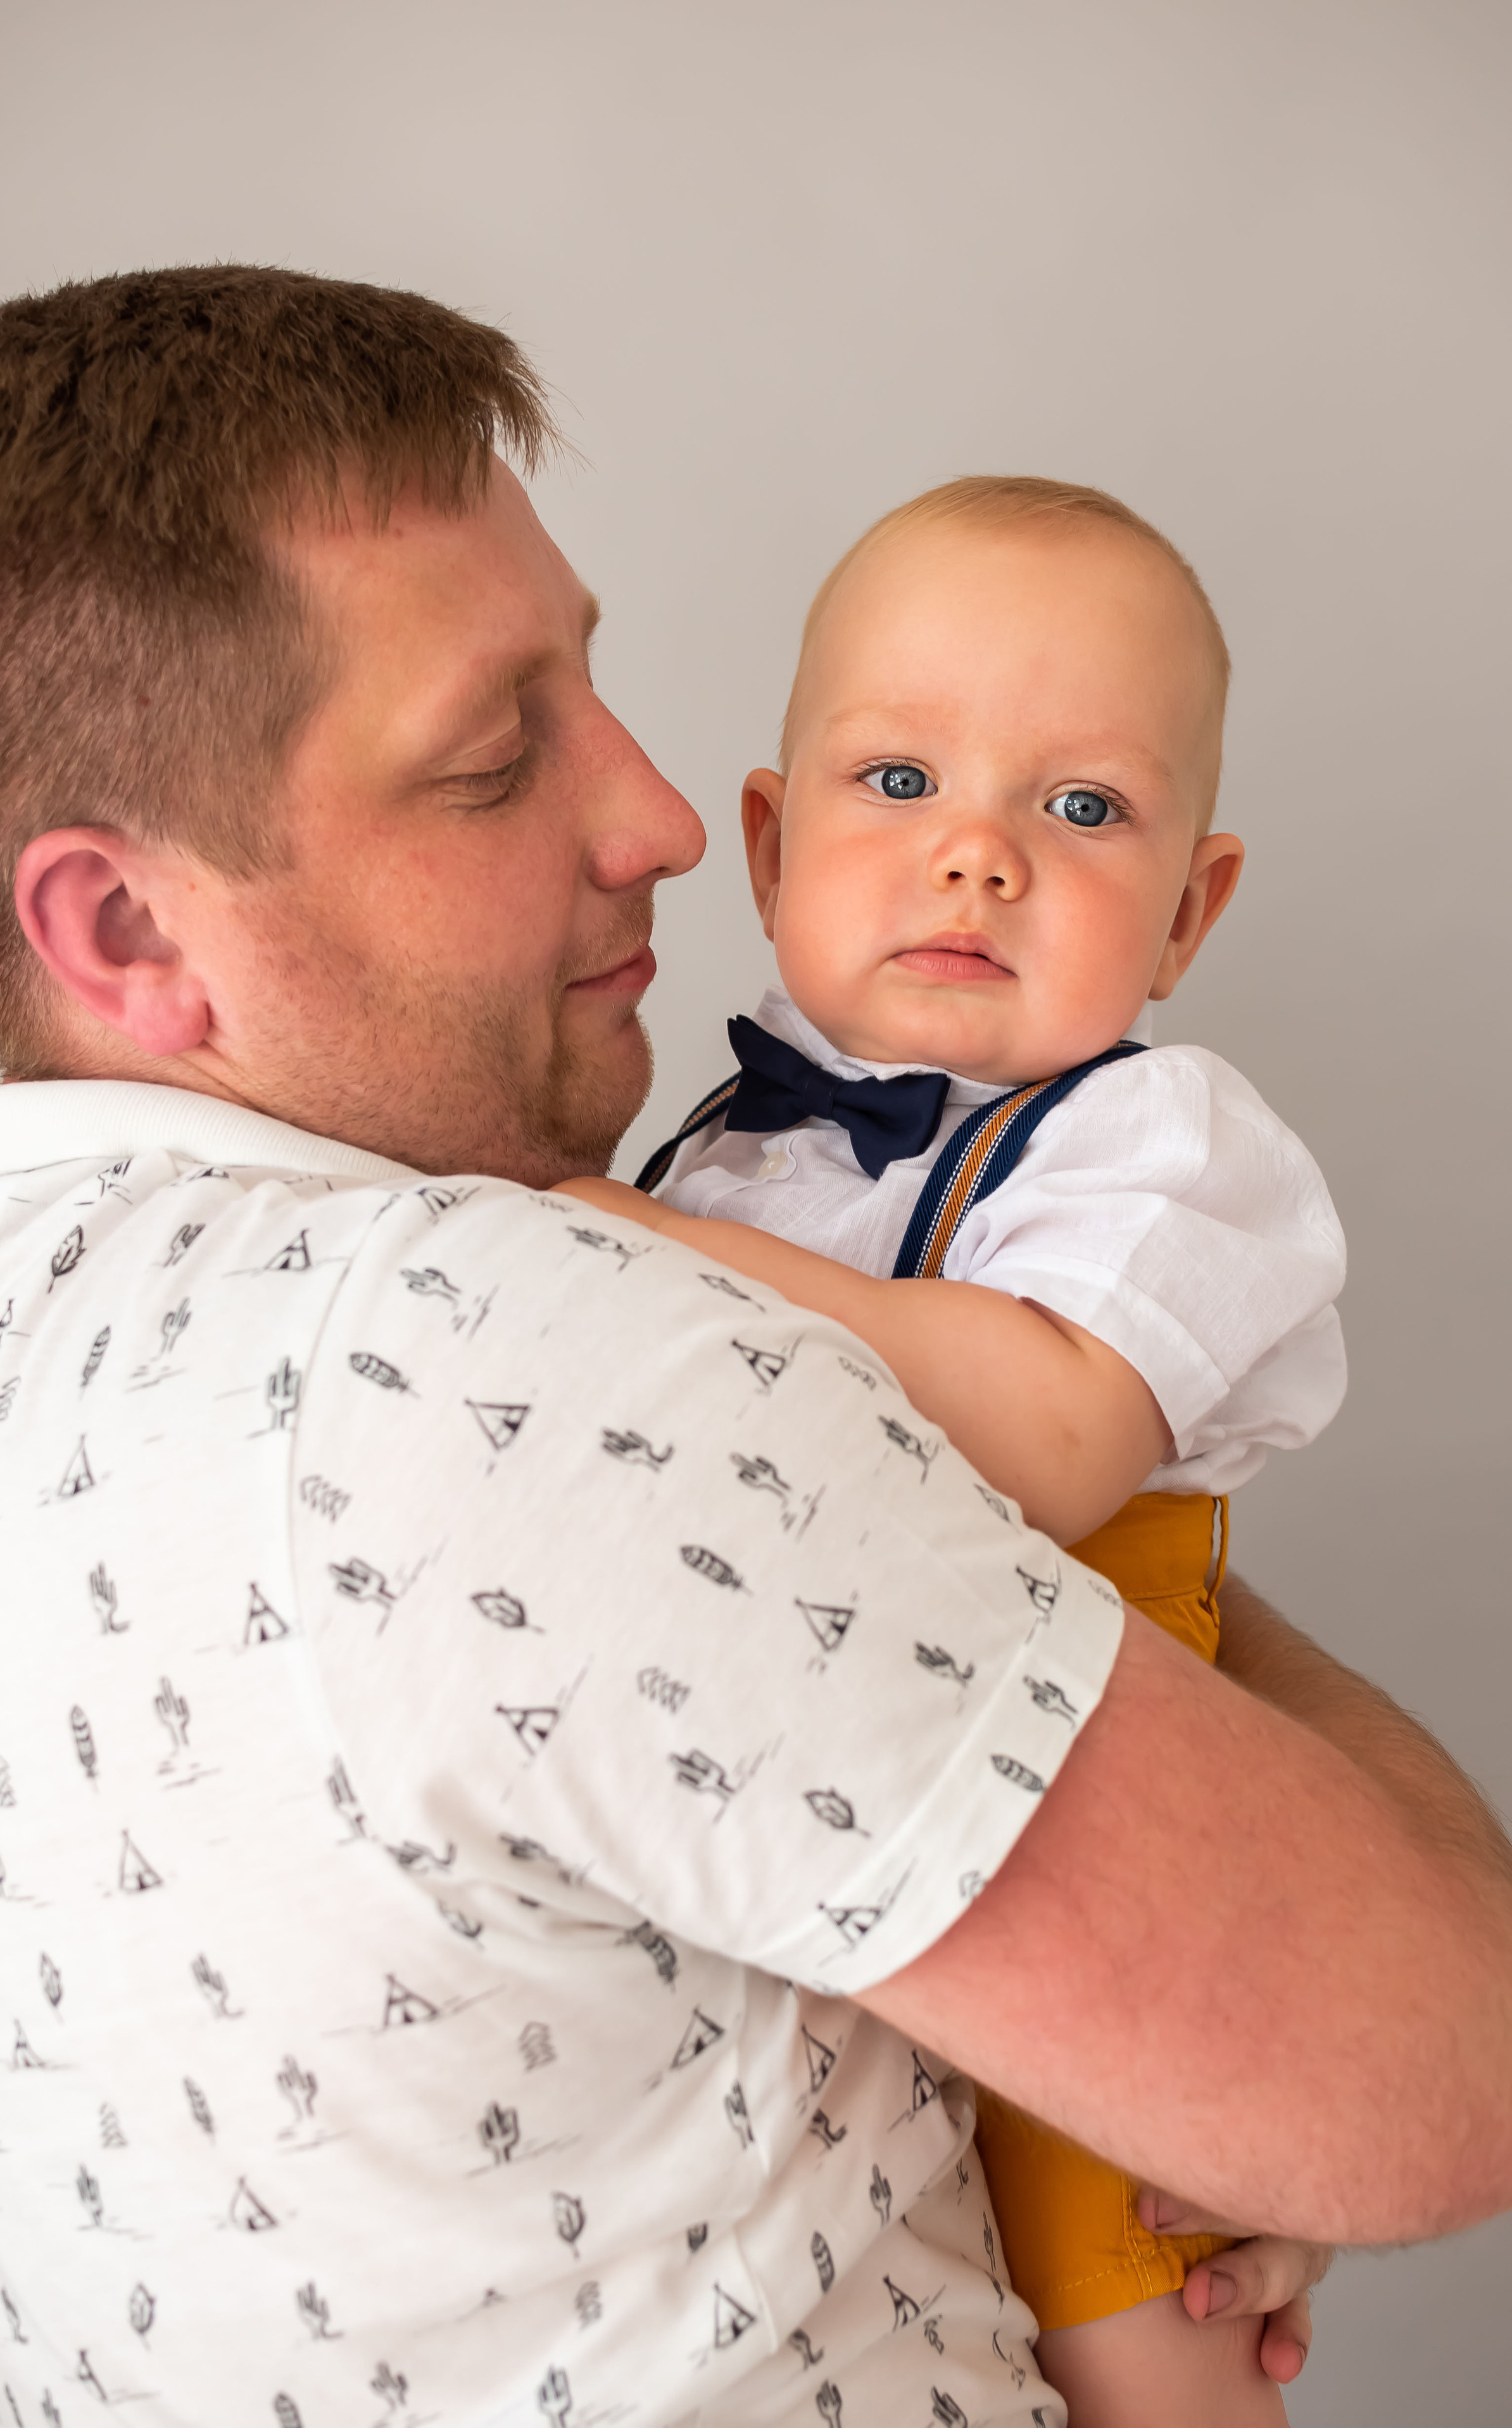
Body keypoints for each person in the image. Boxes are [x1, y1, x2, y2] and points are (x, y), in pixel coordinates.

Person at [0, 270, 1508, 2428]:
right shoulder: (506, 1334)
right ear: (123, 929)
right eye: (493, 758)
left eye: (593, 688)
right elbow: (1434, 2064)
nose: (658, 815)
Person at [564, 474, 1346, 2423]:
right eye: (897, 781)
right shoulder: (725, 1149)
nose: (977, 856)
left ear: (1192, 908)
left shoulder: (1165, 1144)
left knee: (1121, 2289)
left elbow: (1060, 1433)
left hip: (1086, 1821)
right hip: (840, 1834)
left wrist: (628, 1244)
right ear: (768, 843)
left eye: (1080, 810)